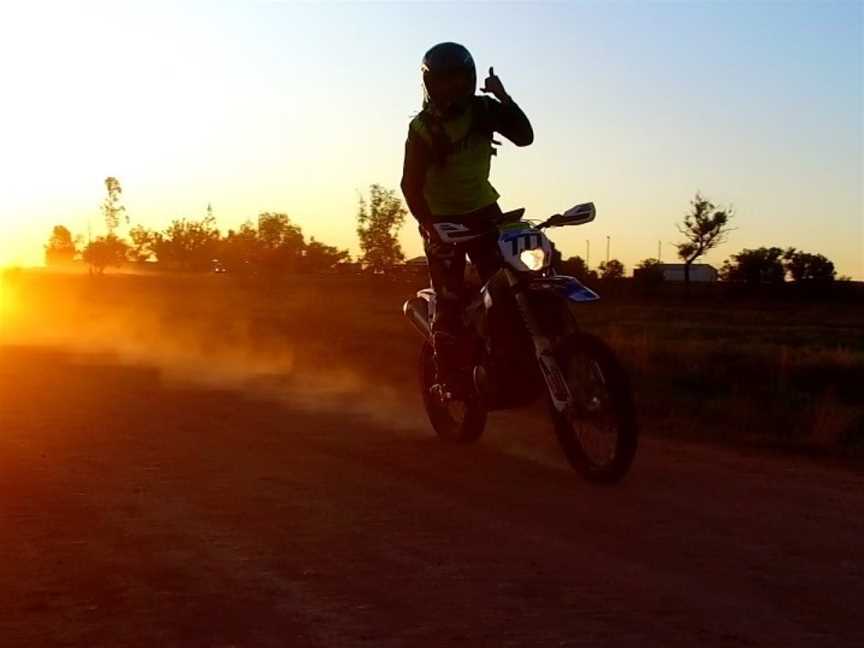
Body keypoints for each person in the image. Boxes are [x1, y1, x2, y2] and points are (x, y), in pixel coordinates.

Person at [400, 42, 534, 400]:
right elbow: (409, 185)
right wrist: (429, 225)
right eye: (442, 81)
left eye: (458, 79)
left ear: (471, 79)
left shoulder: (483, 110)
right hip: (443, 221)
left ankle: (509, 364)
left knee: (510, 287)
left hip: (484, 211)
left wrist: (504, 98)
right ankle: (449, 380)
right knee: (450, 302)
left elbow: (525, 137)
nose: (451, 88)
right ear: (430, 85)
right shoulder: (423, 128)